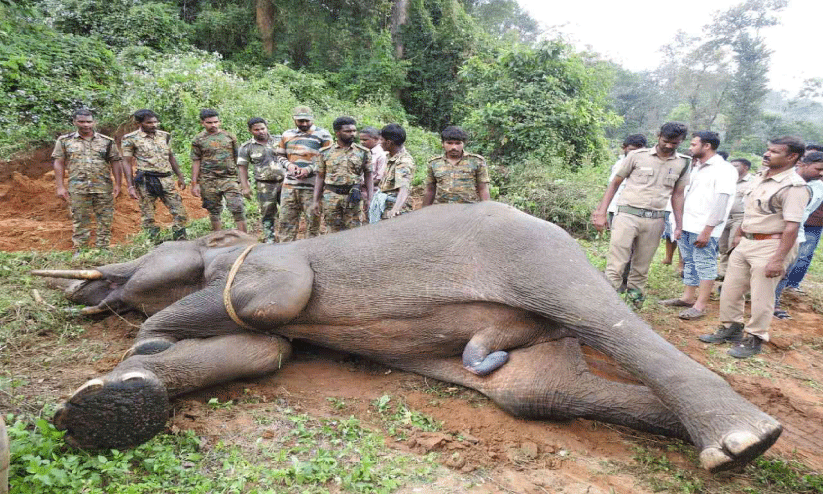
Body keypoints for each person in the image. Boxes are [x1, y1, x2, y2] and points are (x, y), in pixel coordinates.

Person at [701, 137, 810, 359]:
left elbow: (791, 227)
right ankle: (730, 327)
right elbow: (750, 211)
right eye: (768, 150)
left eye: (775, 151)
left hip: (771, 244)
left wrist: (778, 259)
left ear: (792, 157)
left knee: (762, 295)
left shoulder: (795, 187)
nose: (767, 154)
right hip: (747, 241)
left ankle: (755, 337)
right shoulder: (760, 177)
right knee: (731, 289)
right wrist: (740, 234)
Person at [591, 122, 690, 308]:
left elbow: (678, 194)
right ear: (658, 135)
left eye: (675, 143)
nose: (669, 146)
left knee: (641, 266)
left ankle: (634, 304)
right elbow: (615, 183)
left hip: (655, 220)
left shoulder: (683, 163)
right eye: (666, 141)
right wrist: (601, 212)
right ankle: (605, 304)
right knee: (616, 264)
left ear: (681, 141)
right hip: (627, 216)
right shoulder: (637, 156)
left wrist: (679, 224)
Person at [659, 131, 737, 320]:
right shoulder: (696, 167)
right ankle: (687, 297)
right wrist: (678, 225)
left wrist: (708, 230)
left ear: (707, 146)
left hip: (704, 228)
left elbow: (721, 201)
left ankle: (700, 305)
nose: (690, 147)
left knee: (705, 264)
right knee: (690, 261)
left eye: (694, 144)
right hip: (688, 224)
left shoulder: (723, 169)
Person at [51, 109, 124, 253]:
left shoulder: (106, 141)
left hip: (103, 187)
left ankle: (103, 248)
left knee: (105, 218)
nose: (86, 125)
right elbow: (59, 162)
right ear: (74, 122)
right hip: (78, 187)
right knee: (80, 218)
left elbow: (115, 162)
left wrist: (118, 184)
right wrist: (60, 186)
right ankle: (81, 250)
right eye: (81, 121)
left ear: (94, 122)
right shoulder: (65, 141)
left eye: (89, 121)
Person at [121, 109, 188, 242]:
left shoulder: (164, 136)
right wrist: (130, 186)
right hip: (146, 180)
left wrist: (180, 176)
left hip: (166, 179)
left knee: (180, 213)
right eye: (149, 123)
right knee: (148, 216)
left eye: (155, 122)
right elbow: (126, 163)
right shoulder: (130, 139)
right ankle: (154, 243)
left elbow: (170, 156)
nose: (154, 125)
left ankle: (180, 241)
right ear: (139, 123)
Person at [772, 151, 823, 319]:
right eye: (818, 168)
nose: (821, 173)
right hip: (773, 232)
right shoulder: (785, 181)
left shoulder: (818, 186)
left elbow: (805, 213)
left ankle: (774, 302)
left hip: (796, 234)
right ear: (803, 164)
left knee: (784, 270)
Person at [275, 106, 333, 242]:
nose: (305, 124)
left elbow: (329, 158)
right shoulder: (287, 135)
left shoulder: (323, 135)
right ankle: (285, 254)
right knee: (286, 224)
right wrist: (289, 165)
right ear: (294, 120)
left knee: (313, 224)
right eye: (301, 121)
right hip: (289, 187)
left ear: (312, 119)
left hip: (312, 188)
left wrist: (309, 169)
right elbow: (280, 155)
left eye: (307, 121)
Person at [190, 109, 250, 232]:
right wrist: (194, 183)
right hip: (208, 179)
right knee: (213, 210)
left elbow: (237, 158)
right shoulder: (198, 140)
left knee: (237, 207)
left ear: (220, 122)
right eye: (209, 122)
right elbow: (196, 161)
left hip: (229, 178)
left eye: (216, 122)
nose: (213, 125)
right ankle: (218, 237)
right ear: (202, 123)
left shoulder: (229, 136)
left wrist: (244, 180)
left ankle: (244, 237)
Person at [311, 116, 373, 233]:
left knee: (354, 232)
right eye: (348, 131)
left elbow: (368, 175)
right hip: (331, 197)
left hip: (353, 196)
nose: (352, 134)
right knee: (332, 231)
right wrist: (316, 200)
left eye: (354, 131)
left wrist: (370, 198)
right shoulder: (325, 152)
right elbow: (320, 177)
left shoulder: (363, 152)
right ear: (337, 133)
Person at [237, 117, 283, 242]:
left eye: (262, 128)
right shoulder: (247, 147)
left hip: (284, 183)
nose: (260, 132)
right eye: (256, 130)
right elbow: (242, 168)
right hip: (264, 185)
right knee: (267, 213)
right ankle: (270, 239)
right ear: (250, 131)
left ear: (267, 127)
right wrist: (245, 187)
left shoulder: (280, 140)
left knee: (288, 212)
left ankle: (287, 238)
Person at [422, 126, 490, 206]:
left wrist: (486, 210)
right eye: (449, 143)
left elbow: (483, 188)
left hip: (469, 209)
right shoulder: (434, 163)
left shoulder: (477, 161)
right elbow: (430, 190)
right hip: (441, 209)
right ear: (443, 144)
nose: (454, 147)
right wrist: (424, 211)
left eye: (458, 143)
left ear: (463, 144)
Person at [717, 159, 754, 279]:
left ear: (746, 167)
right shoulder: (728, 180)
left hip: (739, 217)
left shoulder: (752, 182)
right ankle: (723, 272)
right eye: (731, 165)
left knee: (733, 246)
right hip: (724, 217)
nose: (733, 168)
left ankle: (733, 274)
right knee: (723, 246)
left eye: (736, 166)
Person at [372, 123, 416, 220]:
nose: (379, 143)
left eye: (381, 140)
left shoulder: (403, 162)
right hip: (385, 206)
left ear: (389, 143)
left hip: (394, 209)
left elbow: (404, 188)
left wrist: (395, 210)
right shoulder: (390, 157)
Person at [607, 134, 649, 226]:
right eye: (632, 150)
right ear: (625, 148)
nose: (635, 154)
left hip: (635, 210)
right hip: (616, 207)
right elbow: (613, 185)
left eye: (640, 151)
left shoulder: (647, 166)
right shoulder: (619, 165)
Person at [358, 126, 387, 203]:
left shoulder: (381, 155)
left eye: (365, 140)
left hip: (373, 193)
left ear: (376, 139)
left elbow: (380, 179)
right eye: (360, 140)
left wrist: (363, 183)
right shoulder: (362, 152)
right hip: (360, 192)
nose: (362, 142)